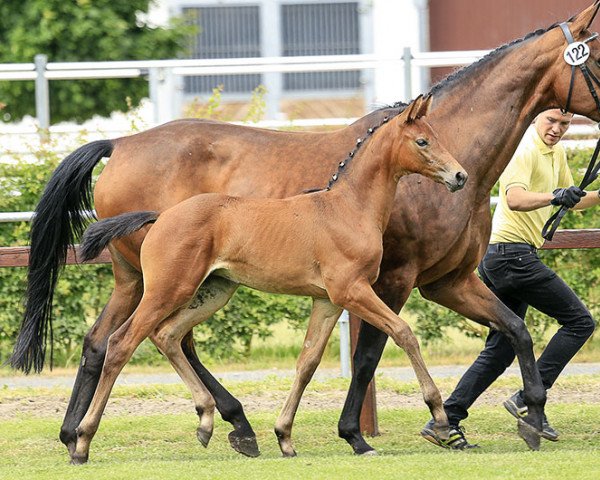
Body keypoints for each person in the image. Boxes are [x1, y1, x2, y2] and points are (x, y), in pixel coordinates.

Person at [421, 109, 599, 449]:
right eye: (551, 121)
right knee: (579, 322)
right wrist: (554, 196)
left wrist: (584, 196)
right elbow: (515, 199)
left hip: (504, 257)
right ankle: (528, 396)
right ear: (535, 119)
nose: (557, 129)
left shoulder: (555, 152)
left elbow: (570, 200)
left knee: (501, 349)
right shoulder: (525, 149)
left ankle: (445, 420)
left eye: (564, 124)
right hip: (512, 256)